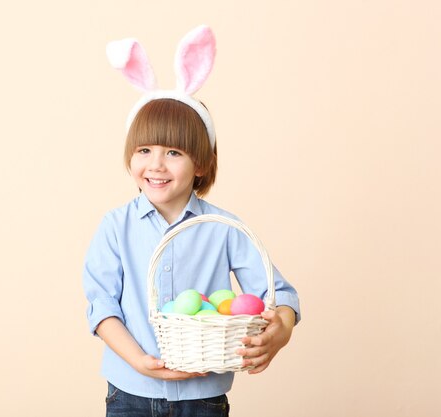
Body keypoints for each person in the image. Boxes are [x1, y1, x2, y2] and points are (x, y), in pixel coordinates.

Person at [83, 25, 300, 417]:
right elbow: (102, 307)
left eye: (174, 152)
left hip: (204, 397)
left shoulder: (223, 228)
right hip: (130, 393)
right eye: (144, 150)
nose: (156, 165)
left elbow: (279, 294)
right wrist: (137, 360)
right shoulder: (115, 227)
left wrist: (279, 332)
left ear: (200, 163)